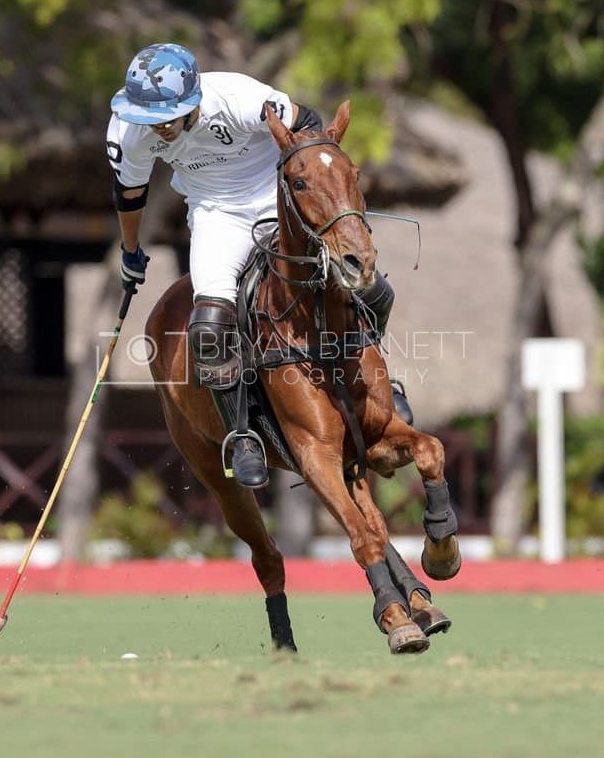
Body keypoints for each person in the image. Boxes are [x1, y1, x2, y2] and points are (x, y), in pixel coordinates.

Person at [106, 42, 411, 489]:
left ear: (192, 100)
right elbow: (130, 194)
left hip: (278, 199)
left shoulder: (236, 96)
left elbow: (306, 126)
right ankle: (242, 434)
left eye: (166, 116)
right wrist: (130, 251)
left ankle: (386, 387)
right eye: (150, 117)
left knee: (372, 289)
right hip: (215, 213)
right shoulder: (129, 131)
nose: (158, 127)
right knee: (208, 329)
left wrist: (317, 203)